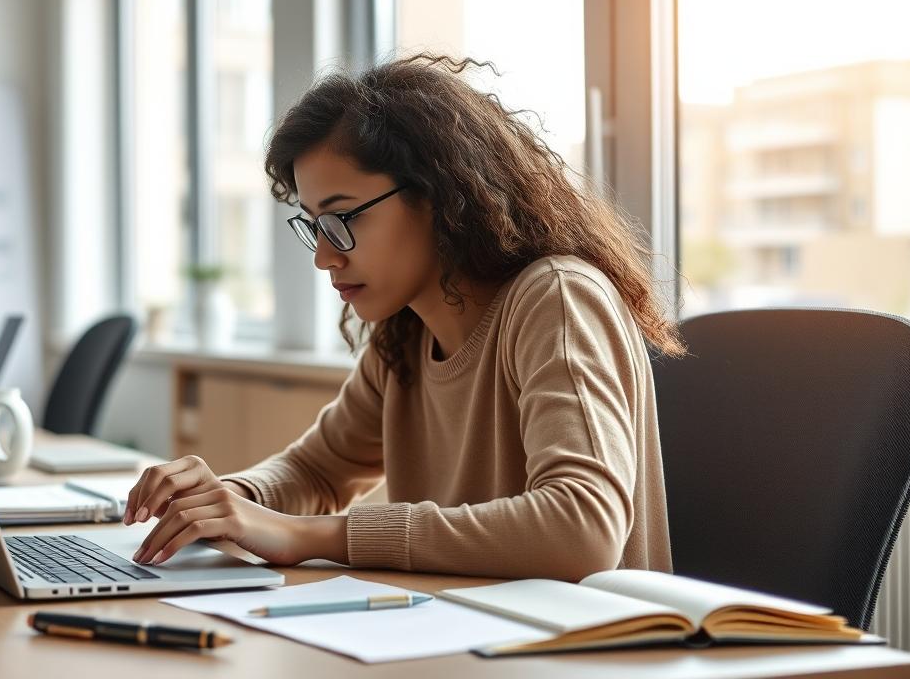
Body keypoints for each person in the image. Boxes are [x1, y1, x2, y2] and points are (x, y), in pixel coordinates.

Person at [122, 55, 684, 581]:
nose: (324, 256)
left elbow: (582, 530)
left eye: (342, 219)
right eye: (314, 226)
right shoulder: (405, 333)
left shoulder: (556, 298)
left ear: (439, 194)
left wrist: (310, 535)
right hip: (463, 631)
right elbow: (317, 471)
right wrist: (223, 501)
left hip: (580, 641)